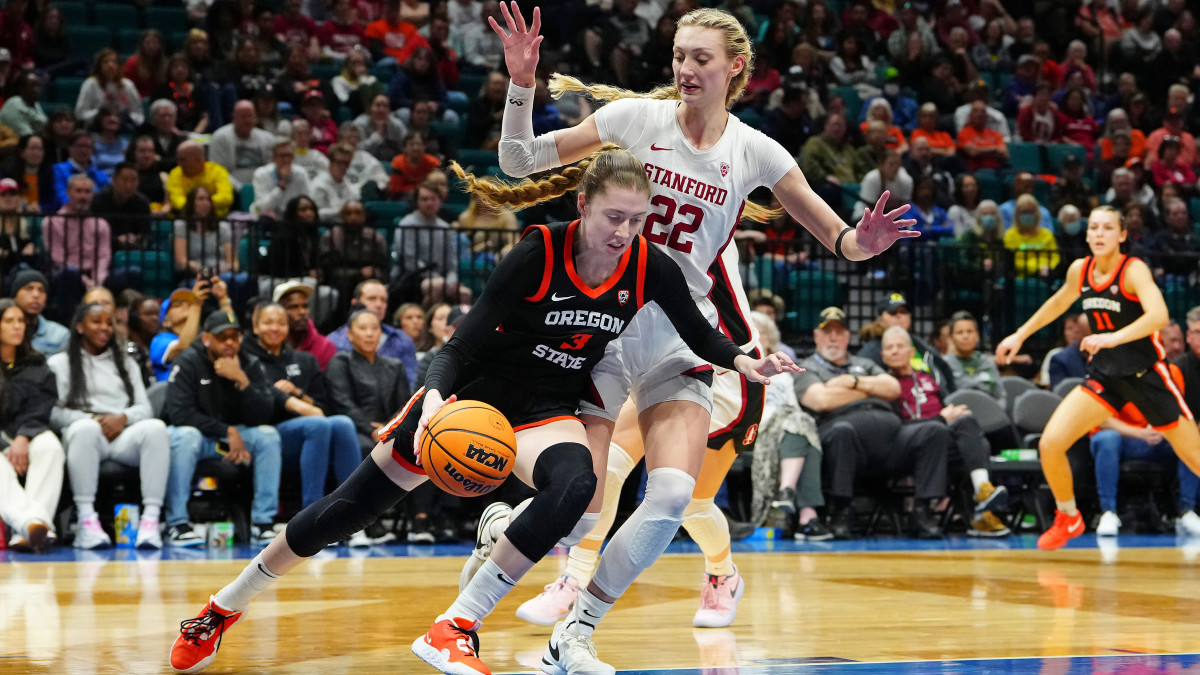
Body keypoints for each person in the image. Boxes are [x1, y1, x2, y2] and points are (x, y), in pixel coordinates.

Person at [169, 145, 796, 675]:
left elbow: (699, 332)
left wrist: (746, 362)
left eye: (636, 219)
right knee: (347, 511)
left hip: (547, 407)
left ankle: (455, 625)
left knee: (577, 487)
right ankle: (223, 606)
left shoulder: (648, 266)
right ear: (583, 204)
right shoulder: (538, 252)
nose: (623, 232)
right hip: (473, 392)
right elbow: (461, 341)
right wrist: (436, 397)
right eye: (613, 216)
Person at [491, 5, 912, 666]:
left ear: (735, 67)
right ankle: (528, 543)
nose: (685, 69)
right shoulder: (635, 118)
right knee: (586, 497)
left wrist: (868, 242)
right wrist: (521, 84)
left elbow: (840, 237)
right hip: (609, 326)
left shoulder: (754, 150)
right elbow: (518, 161)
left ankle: (581, 624)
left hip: (690, 339)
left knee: (674, 496)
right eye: (680, 55)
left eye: (701, 59)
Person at [996, 206, 1200, 550]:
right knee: (1050, 444)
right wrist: (1020, 334)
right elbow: (1060, 301)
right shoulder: (1081, 269)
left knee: (1194, 457)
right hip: (1106, 376)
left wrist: (1112, 338)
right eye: (1094, 228)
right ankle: (1069, 517)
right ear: (1087, 234)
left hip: (1146, 375)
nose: (1099, 233)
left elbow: (1159, 315)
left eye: (1108, 227)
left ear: (1122, 235)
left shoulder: (1133, 270)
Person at [796, 307, 949, 540]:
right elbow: (821, 400)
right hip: (842, 437)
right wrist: (869, 390)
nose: (834, 338)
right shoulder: (807, 368)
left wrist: (851, 382)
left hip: (891, 436)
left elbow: (893, 388)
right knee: (841, 432)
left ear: (848, 337)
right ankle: (841, 512)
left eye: (839, 332)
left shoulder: (864, 363)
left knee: (933, 430)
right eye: (828, 333)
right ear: (817, 336)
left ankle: (923, 511)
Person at [49, 302, 170, 549]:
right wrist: (91, 420)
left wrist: (123, 418)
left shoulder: (126, 363)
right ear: (80, 327)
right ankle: (86, 521)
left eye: (109, 323)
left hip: (123, 435)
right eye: (97, 322)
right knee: (86, 429)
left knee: (156, 428)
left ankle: (150, 522)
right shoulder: (59, 364)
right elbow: (54, 413)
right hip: (86, 435)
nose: (105, 328)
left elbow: (144, 409)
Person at [162, 310, 283, 548]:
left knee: (268, 436)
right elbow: (179, 413)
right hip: (196, 437)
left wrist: (242, 381)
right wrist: (227, 431)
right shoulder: (188, 361)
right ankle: (176, 523)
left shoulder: (248, 362)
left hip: (229, 438)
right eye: (222, 337)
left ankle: (262, 523)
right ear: (206, 338)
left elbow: (264, 414)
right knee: (186, 436)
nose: (229, 342)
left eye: (234, 336)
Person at [242, 301, 363, 537]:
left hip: (311, 431)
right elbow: (254, 410)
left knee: (342, 423)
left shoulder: (305, 361)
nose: (274, 328)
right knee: (317, 425)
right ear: (255, 328)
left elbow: (323, 406)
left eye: (280, 323)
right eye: (267, 322)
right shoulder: (248, 361)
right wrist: (281, 398)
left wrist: (297, 393)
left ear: (288, 327)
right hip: (269, 435)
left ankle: (353, 516)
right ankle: (312, 517)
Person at [880, 325, 1009, 537]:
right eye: (889, 348)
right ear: (883, 355)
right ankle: (925, 513)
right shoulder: (884, 384)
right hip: (905, 445)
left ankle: (982, 495)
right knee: (944, 434)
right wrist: (940, 419)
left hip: (939, 440)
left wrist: (949, 416)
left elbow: (946, 409)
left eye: (900, 346)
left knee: (969, 426)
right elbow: (893, 427)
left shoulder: (927, 378)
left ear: (912, 352)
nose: (895, 351)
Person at [0, 298, 64, 552]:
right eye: (8, 321)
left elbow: (41, 408)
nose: (17, 327)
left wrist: (23, 437)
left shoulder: (37, 364)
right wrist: (7, 444)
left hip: (26, 433)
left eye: (20, 321)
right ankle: (33, 523)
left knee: (51, 447)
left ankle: (25, 534)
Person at [325, 308, 413, 455]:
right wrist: (371, 429)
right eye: (362, 328)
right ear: (350, 335)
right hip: (355, 428)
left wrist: (387, 427)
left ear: (381, 333)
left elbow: (404, 404)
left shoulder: (395, 365)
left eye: (374, 328)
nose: (369, 333)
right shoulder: (341, 361)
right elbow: (342, 402)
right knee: (364, 447)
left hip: (390, 427)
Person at [325, 279, 418, 388]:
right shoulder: (334, 341)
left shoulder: (402, 339)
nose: (379, 305)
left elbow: (411, 384)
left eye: (383, 300)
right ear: (355, 303)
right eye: (372, 299)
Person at [150, 281, 222, 382]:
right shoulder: (160, 340)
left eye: (189, 303)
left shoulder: (203, 338)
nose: (185, 306)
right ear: (166, 322)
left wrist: (223, 299)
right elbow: (184, 348)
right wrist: (196, 305)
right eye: (178, 305)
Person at [945, 311, 1006, 409]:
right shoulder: (945, 364)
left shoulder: (987, 362)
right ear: (951, 337)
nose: (965, 336)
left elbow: (1000, 395)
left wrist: (998, 415)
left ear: (977, 336)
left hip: (990, 415)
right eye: (959, 332)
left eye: (970, 331)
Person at [274, 281, 336, 370]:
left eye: (305, 306)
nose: (302, 312)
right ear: (278, 311)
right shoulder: (269, 344)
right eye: (294, 307)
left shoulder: (324, 346)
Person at [167, 142, 235, 218]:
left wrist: (203, 204)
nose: (179, 163)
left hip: (216, 220)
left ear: (199, 159)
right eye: (178, 159)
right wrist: (197, 205)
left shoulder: (218, 171)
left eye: (183, 160)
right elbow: (175, 200)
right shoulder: (175, 173)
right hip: (186, 220)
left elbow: (226, 198)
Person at [11, 270, 68, 355]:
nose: (36, 295)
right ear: (14, 296)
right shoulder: (4, 331)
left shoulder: (60, 335)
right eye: (29, 288)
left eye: (41, 290)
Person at [251, 140, 310, 219]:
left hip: (294, 219)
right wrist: (281, 185)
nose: (286, 160)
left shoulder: (301, 174)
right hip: (270, 218)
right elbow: (262, 207)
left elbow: (307, 201)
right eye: (282, 156)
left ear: (293, 157)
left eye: (289, 156)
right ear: (274, 158)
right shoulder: (261, 174)